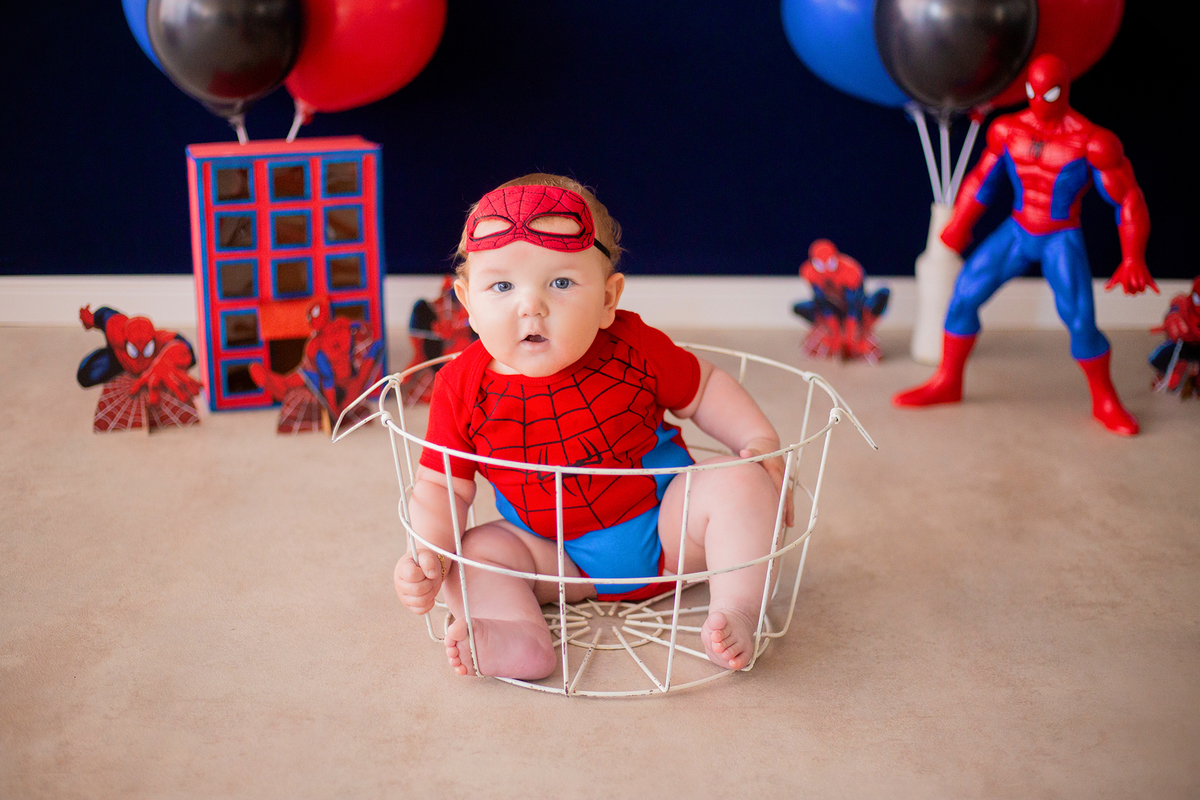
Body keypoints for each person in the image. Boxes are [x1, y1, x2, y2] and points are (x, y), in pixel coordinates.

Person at [393, 174, 793, 680]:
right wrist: (426, 552)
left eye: (560, 282)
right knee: (473, 554)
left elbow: (705, 388)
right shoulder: (461, 385)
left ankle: (737, 607)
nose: (530, 304)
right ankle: (518, 634)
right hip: (553, 559)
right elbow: (440, 487)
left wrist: (757, 442)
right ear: (467, 303)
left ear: (608, 300)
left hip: (670, 530)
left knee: (739, 481)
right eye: (502, 285)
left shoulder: (633, 345)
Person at [892, 53, 1156, 435]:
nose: (1037, 99)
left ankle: (1104, 398)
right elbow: (982, 180)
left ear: (1063, 90)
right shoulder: (1007, 130)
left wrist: (1133, 257)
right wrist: (960, 224)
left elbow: (1128, 198)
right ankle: (947, 380)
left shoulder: (1091, 141)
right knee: (964, 295)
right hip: (1017, 229)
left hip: (1060, 236)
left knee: (1081, 321)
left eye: (1047, 92)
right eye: (1032, 90)